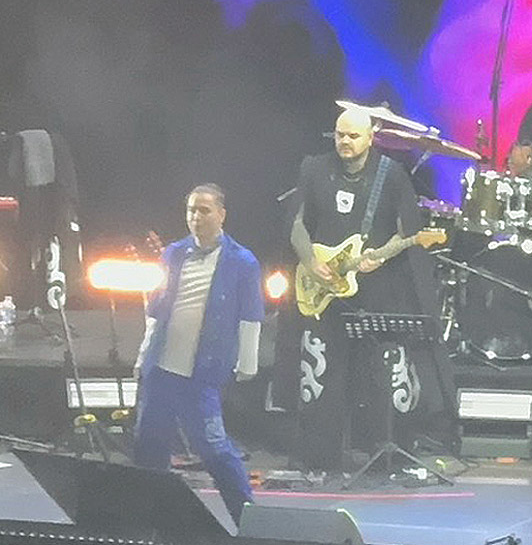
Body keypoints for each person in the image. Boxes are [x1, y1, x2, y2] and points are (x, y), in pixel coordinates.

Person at [286, 108, 445, 466]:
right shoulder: (314, 168)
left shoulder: (391, 174)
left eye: (353, 136)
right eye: (340, 134)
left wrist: (382, 257)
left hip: (376, 293)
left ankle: (383, 456)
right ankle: (320, 457)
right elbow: (296, 221)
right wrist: (310, 260)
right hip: (324, 291)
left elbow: (407, 231)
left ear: (371, 138)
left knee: (378, 375)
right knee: (322, 376)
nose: (345, 141)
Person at [130, 185, 264, 522]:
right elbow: (156, 311)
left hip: (202, 372)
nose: (196, 217)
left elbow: (251, 314)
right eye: (191, 210)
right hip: (162, 369)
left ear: (221, 214)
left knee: (214, 448)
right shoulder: (173, 254)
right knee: (149, 447)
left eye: (204, 210)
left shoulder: (242, 261)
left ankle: (248, 520)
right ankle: (150, 519)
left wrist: (247, 361)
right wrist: (143, 357)